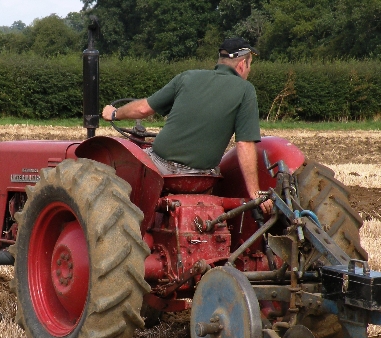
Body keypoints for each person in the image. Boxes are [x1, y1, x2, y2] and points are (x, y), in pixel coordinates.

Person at [102, 37, 269, 212]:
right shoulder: (245, 90)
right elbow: (244, 144)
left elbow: (143, 109)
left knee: (112, 172)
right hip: (200, 177)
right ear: (242, 64)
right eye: (250, 66)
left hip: (159, 166)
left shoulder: (187, 77)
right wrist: (255, 193)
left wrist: (114, 113)